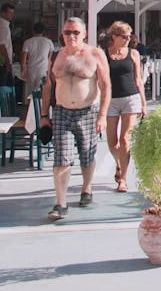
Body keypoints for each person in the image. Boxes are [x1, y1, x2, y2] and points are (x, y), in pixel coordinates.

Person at [40, 17, 110, 221]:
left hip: (87, 111)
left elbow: (106, 86)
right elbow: (48, 87)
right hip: (62, 111)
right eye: (67, 32)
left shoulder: (95, 54)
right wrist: (44, 115)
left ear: (84, 34)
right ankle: (61, 204)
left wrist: (103, 115)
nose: (71, 36)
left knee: (87, 155)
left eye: (75, 33)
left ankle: (86, 189)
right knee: (61, 156)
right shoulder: (55, 56)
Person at [103, 21, 146, 193]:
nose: (128, 39)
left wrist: (143, 103)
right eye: (124, 37)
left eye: (129, 36)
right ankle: (119, 164)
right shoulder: (104, 54)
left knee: (125, 139)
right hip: (111, 100)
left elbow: (138, 80)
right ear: (114, 37)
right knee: (112, 142)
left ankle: (123, 179)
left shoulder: (133, 54)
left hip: (130, 98)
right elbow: (100, 81)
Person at [20, 22, 55, 96]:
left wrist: (23, 69)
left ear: (33, 31)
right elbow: (50, 58)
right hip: (43, 69)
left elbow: (24, 57)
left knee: (30, 93)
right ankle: (40, 107)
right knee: (41, 92)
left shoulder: (28, 42)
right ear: (43, 31)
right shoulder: (48, 42)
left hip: (31, 69)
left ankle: (30, 107)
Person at [0, 3, 16, 89]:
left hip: (3, 61)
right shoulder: (2, 26)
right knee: (4, 87)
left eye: (12, 13)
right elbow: (1, 46)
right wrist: (7, 62)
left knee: (7, 85)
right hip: (2, 62)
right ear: (3, 13)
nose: (12, 15)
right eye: (9, 13)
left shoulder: (4, 25)